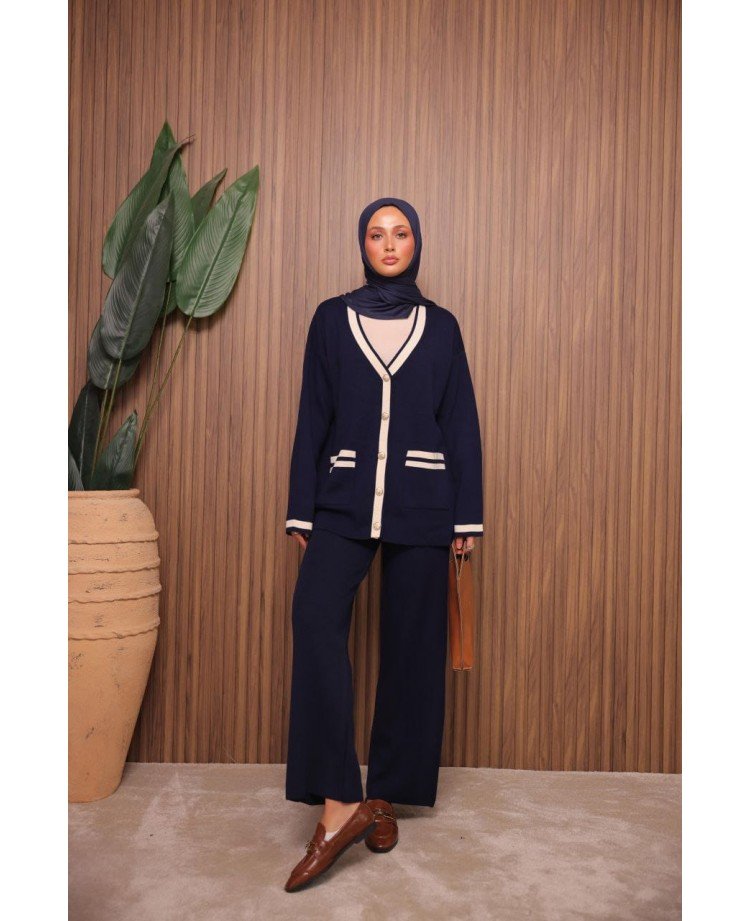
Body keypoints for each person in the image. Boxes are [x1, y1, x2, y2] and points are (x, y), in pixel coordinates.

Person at [283, 196, 484, 892]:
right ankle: (340, 800)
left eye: (401, 233)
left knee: (411, 649)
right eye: (377, 233)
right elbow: (313, 414)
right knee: (314, 619)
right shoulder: (331, 319)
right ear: (362, 244)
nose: (389, 243)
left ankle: (385, 797)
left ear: (416, 243)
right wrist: (301, 510)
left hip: (425, 504)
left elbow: (460, 422)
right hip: (340, 501)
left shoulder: (443, 327)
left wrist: (466, 518)